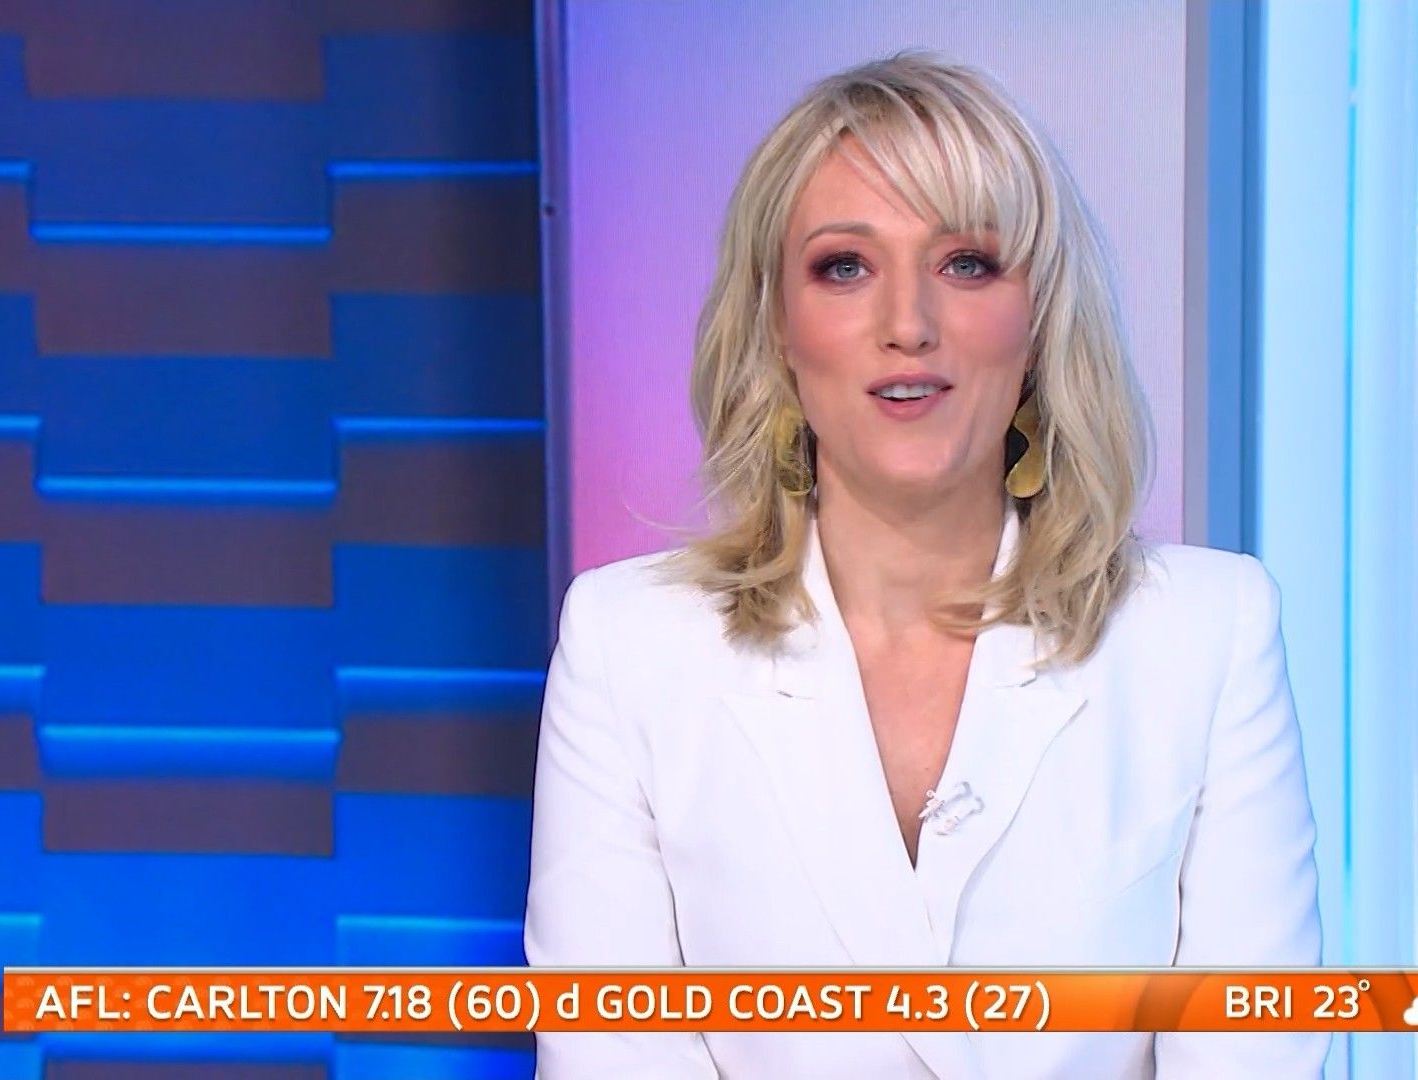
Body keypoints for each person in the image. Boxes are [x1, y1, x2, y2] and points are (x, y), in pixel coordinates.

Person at [524, 50, 1325, 1079]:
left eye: (968, 263)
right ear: (777, 324)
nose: (908, 325)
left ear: (1039, 319)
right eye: (844, 267)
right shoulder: (628, 648)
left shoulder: (1207, 636)